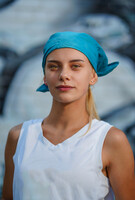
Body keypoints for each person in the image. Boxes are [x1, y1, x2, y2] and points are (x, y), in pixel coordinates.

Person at [2, 31, 135, 200]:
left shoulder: (111, 140)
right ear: (45, 77)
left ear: (93, 76)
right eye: (54, 66)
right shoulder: (19, 136)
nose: (64, 75)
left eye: (76, 66)